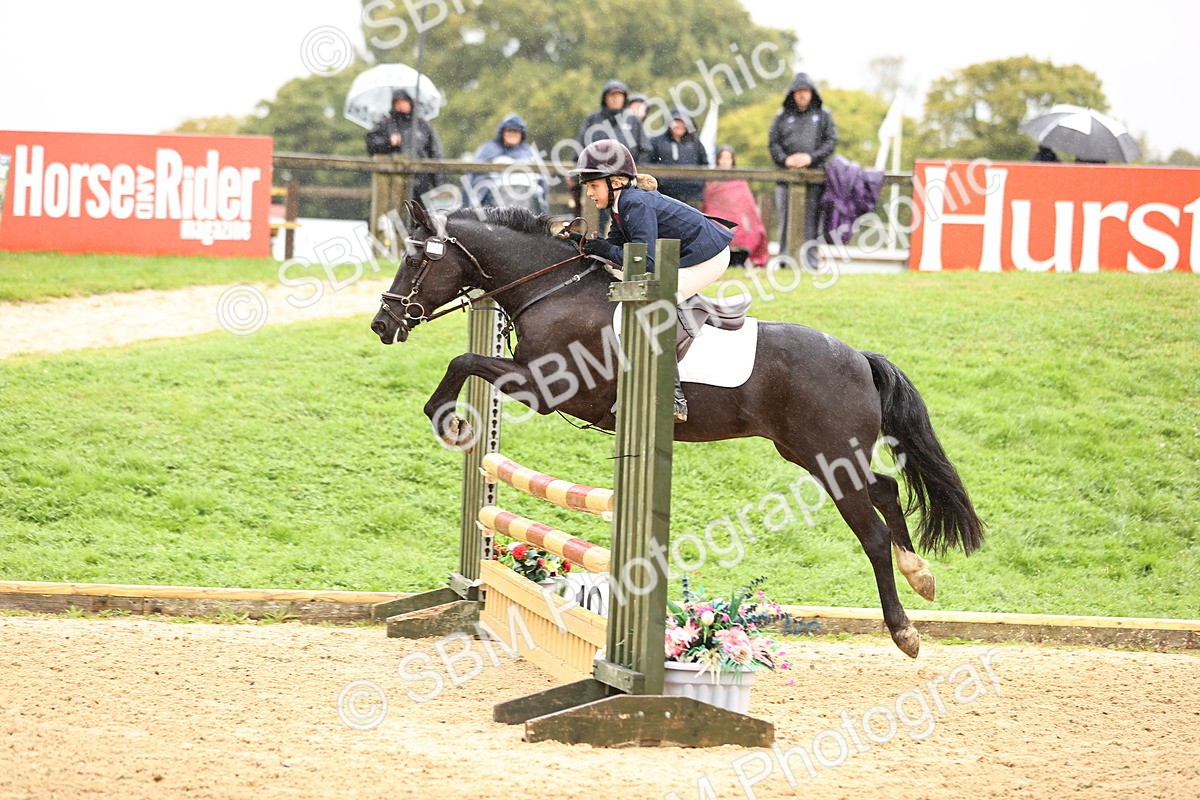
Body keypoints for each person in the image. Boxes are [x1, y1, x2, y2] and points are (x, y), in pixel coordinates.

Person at [566, 139, 734, 423]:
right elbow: (614, 251)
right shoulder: (620, 205)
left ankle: (674, 396)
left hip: (708, 256)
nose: (590, 194)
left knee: (653, 303)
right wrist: (583, 244)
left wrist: (599, 248)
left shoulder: (635, 203)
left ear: (615, 182)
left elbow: (646, 261)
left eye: (594, 186)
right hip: (685, 254)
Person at [768, 72, 838, 267]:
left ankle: (811, 262)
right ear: (792, 94)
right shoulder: (781, 116)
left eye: (805, 91)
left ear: (812, 93)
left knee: (812, 222)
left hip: (814, 179)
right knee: (786, 222)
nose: (802, 95)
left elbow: (831, 141)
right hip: (785, 178)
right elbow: (773, 143)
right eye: (798, 91)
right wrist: (786, 159)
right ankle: (785, 261)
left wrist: (811, 157)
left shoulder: (823, 115)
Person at [573, 80, 652, 232]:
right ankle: (594, 249)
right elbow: (579, 147)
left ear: (624, 98)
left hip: (624, 179)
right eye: (612, 95)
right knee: (596, 219)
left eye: (619, 95)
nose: (616, 98)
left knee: (626, 216)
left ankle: (624, 251)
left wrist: (635, 170)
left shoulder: (633, 121)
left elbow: (645, 149)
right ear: (605, 98)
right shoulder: (593, 120)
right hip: (597, 177)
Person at [365, 87, 445, 208]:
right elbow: (371, 144)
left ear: (410, 102)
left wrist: (439, 185)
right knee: (395, 216)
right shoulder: (386, 124)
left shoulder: (423, 125)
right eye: (397, 102)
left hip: (421, 183)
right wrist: (388, 142)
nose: (401, 105)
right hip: (392, 183)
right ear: (393, 104)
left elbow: (435, 154)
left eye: (404, 101)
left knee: (420, 218)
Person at [702, 145, 769, 269]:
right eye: (722, 158)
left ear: (733, 160)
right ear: (717, 160)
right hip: (719, 221)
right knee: (719, 229)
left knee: (745, 231)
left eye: (728, 158)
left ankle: (739, 258)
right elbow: (710, 206)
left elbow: (747, 206)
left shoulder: (739, 181)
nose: (725, 161)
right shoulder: (711, 181)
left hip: (738, 222)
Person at [468, 113, 548, 214]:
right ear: (502, 132)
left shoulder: (529, 152)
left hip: (528, 198)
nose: (512, 134)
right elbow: (476, 176)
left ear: (521, 134)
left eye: (516, 131)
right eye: (509, 130)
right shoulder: (488, 149)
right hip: (497, 198)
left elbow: (543, 179)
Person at [648, 109, 709, 208]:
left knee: (693, 222)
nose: (679, 125)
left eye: (682, 122)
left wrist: (698, 183)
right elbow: (649, 163)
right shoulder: (657, 142)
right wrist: (659, 183)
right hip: (664, 195)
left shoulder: (695, 142)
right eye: (676, 122)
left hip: (692, 195)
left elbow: (704, 164)